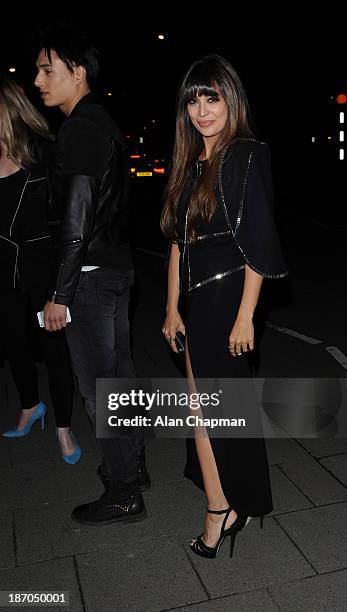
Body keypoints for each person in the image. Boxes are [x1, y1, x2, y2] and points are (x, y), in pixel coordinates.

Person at [161, 55, 288, 559]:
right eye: (193, 98)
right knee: (205, 412)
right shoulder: (193, 163)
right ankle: (229, 501)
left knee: (211, 413)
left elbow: (258, 241)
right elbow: (178, 243)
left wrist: (245, 316)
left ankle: (221, 509)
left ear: (230, 99)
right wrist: (172, 307)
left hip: (226, 297)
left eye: (211, 96)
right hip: (196, 302)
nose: (201, 109)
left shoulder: (246, 155)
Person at [33, 24, 149, 525]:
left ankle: (124, 492)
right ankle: (132, 468)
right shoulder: (103, 121)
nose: (38, 79)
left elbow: (77, 216)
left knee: (100, 387)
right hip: (116, 269)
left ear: (78, 73)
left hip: (90, 277)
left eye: (47, 69)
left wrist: (61, 292)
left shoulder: (80, 128)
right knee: (120, 378)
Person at [0, 75, 80, 464]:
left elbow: (69, 217)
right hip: (3, 275)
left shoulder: (43, 157)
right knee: (13, 345)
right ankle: (31, 407)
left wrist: (61, 287)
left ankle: (64, 427)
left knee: (54, 352)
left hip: (42, 273)